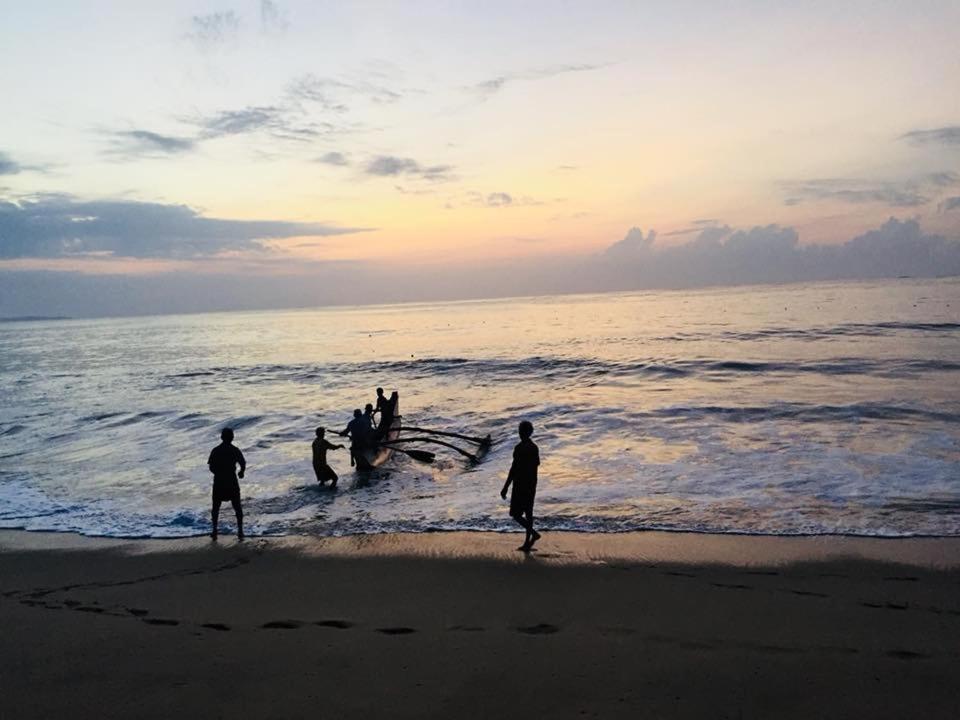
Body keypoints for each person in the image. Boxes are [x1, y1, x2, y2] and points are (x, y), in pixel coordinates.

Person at [500, 420, 541, 552]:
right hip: (531, 484)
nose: (520, 434)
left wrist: (506, 486)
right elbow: (536, 465)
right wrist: (506, 486)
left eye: (521, 432)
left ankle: (530, 538)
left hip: (520, 484)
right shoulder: (534, 448)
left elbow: (514, 469)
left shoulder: (519, 448)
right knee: (528, 513)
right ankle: (530, 537)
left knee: (517, 514)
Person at [208, 427, 246, 541]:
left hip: (219, 482)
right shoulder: (235, 450)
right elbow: (242, 462)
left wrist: (218, 473)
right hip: (231, 482)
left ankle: (214, 531)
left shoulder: (216, 450)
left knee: (216, 508)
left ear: (221, 437)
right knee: (237, 507)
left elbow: (211, 467)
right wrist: (241, 472)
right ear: (232, 438)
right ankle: (240, 531)